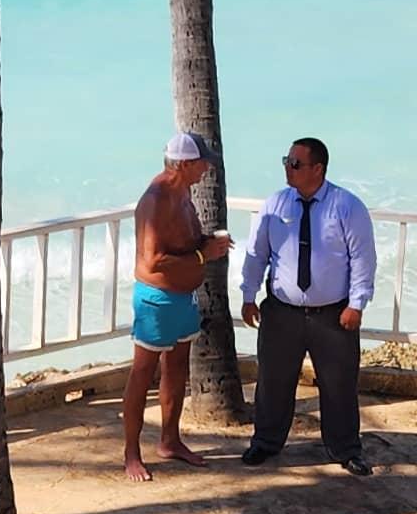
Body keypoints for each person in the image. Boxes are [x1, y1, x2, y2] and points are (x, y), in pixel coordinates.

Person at [236, 137, 377, 474]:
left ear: (318, 169)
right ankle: (265, 442)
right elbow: (257, 253)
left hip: (332, 314)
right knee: (273, 380)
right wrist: (247, 295)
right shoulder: (274, 205)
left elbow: (363, 258)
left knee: (339, 383)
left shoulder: (347, 206)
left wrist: (356, 304)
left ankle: (345, 449)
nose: (288, 168)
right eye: (287, 160)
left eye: (296, 163)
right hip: (282, 312)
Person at [122, 130, 233, 480]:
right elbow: (154, 260)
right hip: (157, 300)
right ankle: (131, 453)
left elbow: (182, 243)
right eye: (202, 164)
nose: (206, 170)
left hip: (184, 298)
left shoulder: (183, 190)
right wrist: (203, 253)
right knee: (142, 373)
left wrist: (206, 243)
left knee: (177, 369)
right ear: (185, 164)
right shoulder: (156, 200)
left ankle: (170, 440)